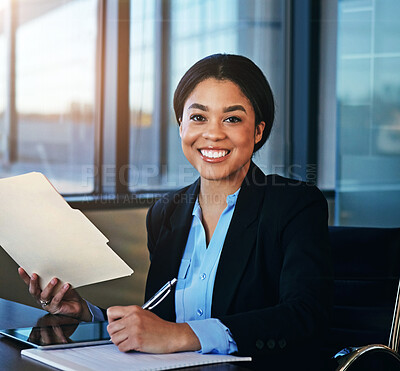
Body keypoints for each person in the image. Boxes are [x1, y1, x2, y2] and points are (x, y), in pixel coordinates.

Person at [19, 54, 332, 370]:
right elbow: (159, 320)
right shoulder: (165, 213)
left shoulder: (296, 204)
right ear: (181, 125)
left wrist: (181, 335)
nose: (213, 134)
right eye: (198, 117)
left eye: (232, 119)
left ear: (258, 131)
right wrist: (89, 315)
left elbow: (304, 316)